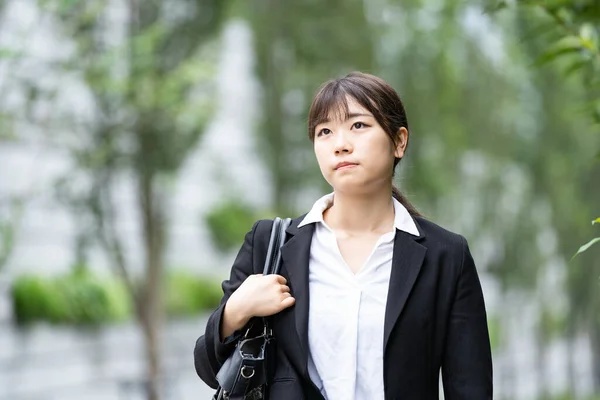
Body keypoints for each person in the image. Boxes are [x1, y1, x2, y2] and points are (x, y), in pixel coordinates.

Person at [194, 71, 493, 399]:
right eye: (325, 132)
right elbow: (210, 371)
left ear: (399, 141)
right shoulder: (271, 245)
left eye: (358, 126)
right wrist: (237, 309)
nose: (340, 145)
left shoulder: (445, 256)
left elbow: (470, 388)